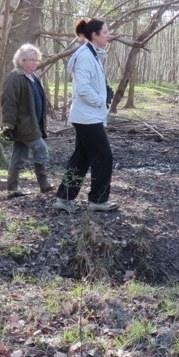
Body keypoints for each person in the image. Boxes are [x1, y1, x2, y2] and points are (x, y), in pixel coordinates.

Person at [53, 18, 118, 214]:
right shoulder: (85, 56)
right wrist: (101, 99)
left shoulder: (93, 54)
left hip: (89, 115)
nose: (108, 35)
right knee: (104, 156)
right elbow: (82, 89)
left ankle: (64, 198)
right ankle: (98, 199)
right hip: (86, 116)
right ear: (94, 35)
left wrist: (103, 95)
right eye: (105, 32)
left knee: (81, 158)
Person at [1, 44, 53, 197]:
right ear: (21, 60)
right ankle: (43, 183)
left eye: (36, 60)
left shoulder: (33, 78)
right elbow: (9, 102)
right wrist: (8, 125)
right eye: (31, 60)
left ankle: (12, 188)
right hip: (24, 125)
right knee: (40, 148)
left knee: (19, 155)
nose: (35, 63)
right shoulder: (14, 77)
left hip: (34, 124)